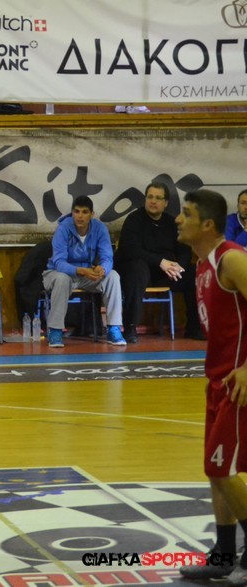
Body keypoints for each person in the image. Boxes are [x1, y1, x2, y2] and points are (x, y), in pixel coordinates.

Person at [175, 189, 247, 585]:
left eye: (185, 214)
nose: (178, 219)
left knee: (221, 469)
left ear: (207, 224)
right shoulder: (202, 264)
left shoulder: (231, 259)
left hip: (240, 382)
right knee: (215, 470)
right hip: (219, 380)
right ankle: (223, 554)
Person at [115, 182, 203, 343]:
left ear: (166, 203)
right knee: (138, 269)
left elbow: (184, 251)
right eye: (150, 197)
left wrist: (178, 268)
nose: (153, 201)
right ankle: (130, 327)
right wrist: (160, 262)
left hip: (165, 273)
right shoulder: (134, 219)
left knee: (193, 274)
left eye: (158, 198)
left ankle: (194, 327)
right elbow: (130, 249)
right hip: (137, 271)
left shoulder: (172, 223)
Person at [41, 195, 127, 348]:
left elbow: (107, 257)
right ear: (72, 213)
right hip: (58, 273)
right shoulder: (63, 228)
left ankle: (114, 328)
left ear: (92, 214)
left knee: (113, 276)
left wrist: (103, 268)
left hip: (87, 273)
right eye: (76, 211)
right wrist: (81, 271)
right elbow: (59, 263)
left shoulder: (100, 228)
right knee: (62, 279)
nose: (80, 216)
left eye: (84, 212)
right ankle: (55, 330)